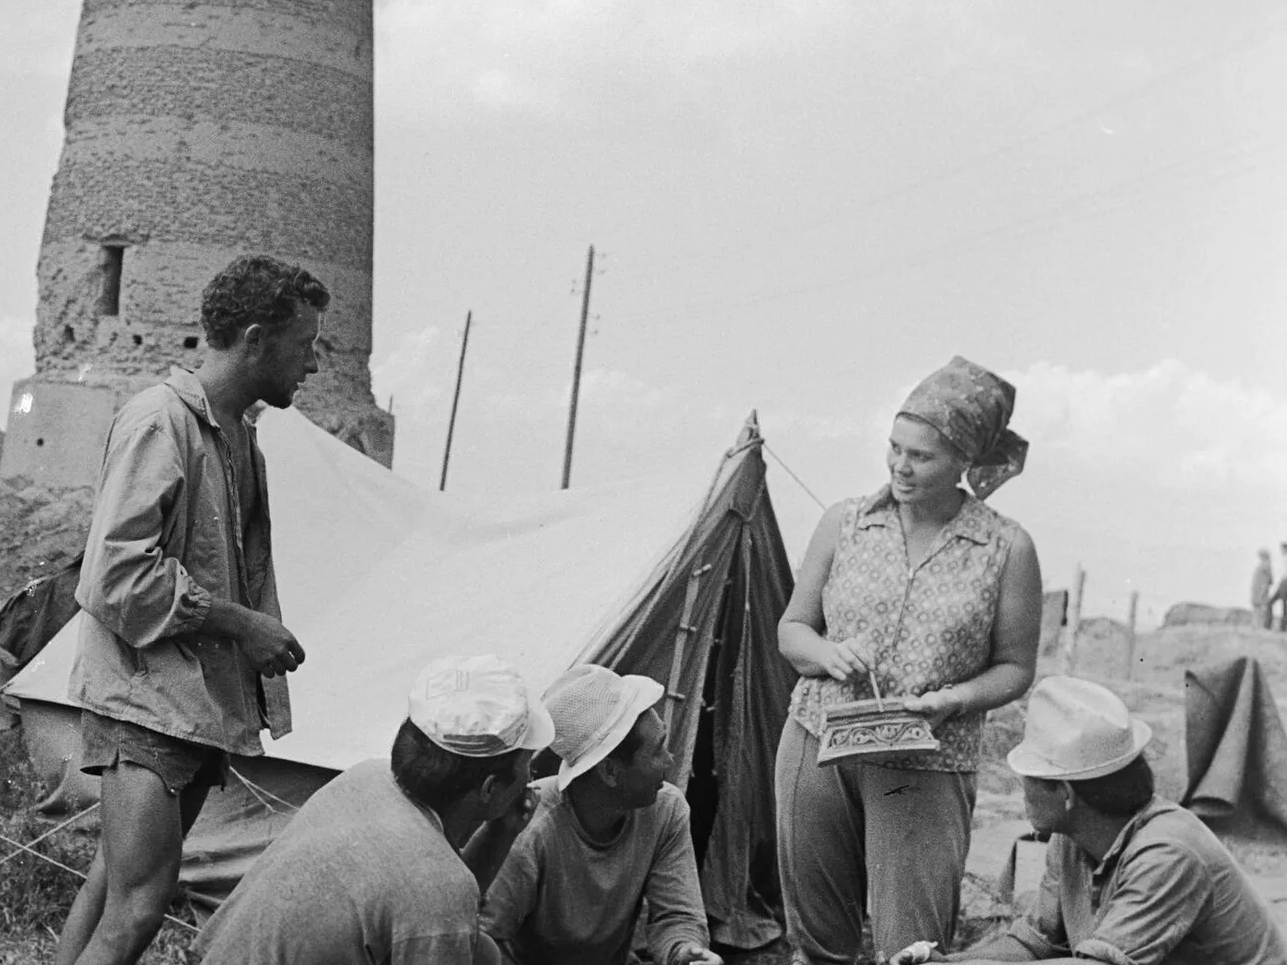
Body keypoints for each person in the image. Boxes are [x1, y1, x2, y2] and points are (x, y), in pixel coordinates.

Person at [56, 254, 325, 965]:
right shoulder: (160, 421)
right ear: (257, 340)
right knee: (140, 905)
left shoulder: (240, 439)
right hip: (144, 698)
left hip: (196, 703)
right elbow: (116, 574)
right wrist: (242, 624)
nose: (314, 364)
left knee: (114, 888)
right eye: (305, 345)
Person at [776, 356, 1045, 965]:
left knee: (913, 948)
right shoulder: (845, 523)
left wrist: (956, 699)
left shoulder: (1006, 548)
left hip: (927, 760)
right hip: (818, 743)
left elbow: (1015, 667)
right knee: (817, 944)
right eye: (895, 448)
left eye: (921, 456)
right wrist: (827, 653)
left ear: (964, 461)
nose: (900, 465)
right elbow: (792, 630)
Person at [887, 675, 1287, 964]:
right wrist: (952, 962)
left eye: (1029, 778)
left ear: (1066, 794)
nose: (1022, 791)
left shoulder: (1168, 854)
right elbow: (1033, 943)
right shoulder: (1071, 837)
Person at [196, 655, 555, 964]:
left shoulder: (368, 776)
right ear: (490, 788)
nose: (529, 776)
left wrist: (502, 830)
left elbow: (433, 906)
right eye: (526, 764)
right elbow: (436, 902)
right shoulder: (438, 887)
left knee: (482, 952)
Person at [482, 664, 721, 965]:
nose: (669, 761)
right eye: (658, 750)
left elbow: (677, 916)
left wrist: (684, 952)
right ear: (610, 771)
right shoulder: (529, 828)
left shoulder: (666, 810)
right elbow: (483, 937)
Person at [1253, 549, 1277, 631]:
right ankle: (1257, 625)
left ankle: (1262, 626)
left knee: (1262, 607)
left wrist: (1263, 589)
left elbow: (1270, 580)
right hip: (1258, 588)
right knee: (1258, 606)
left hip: (1262, 589)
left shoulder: (1266, 565)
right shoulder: (1263, 565)